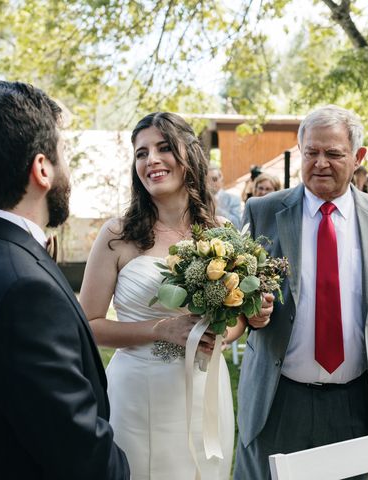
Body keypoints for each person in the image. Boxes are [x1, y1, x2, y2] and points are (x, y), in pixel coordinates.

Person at [0, 81, 129, 479]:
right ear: (42, 169)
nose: (68, 170)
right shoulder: (24, 290)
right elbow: (79, 454)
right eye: (64, 155)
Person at [234, 105, 368, 480]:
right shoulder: (262, 212)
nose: (320, 163)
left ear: (358, 157)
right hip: (278, 400)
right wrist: (251, 311)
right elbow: (239, 301)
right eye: (311, 152)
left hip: (357, 403)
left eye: (333, 154)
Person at [80, 112, 250, 479]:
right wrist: (160, 329)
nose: (151, 160)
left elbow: (236, 321)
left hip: (207, 391)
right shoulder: (117, 235)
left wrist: (221, 335)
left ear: (189, 155)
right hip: (140, 393)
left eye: (163, 148)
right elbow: (88, 326)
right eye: (141, 154)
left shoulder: (221, 232)